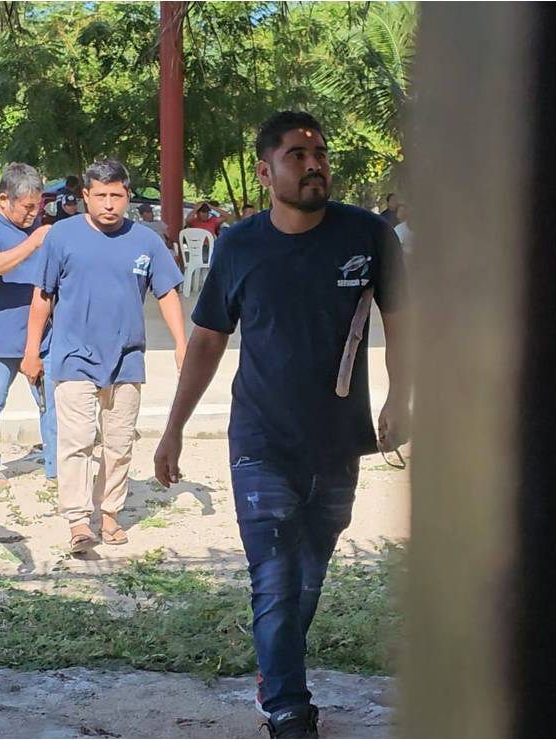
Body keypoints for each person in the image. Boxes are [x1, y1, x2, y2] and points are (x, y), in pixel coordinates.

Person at [153, 111, 409, 739]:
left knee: (308, 577)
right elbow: (208, 340)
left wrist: (400, 399)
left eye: (320, 153)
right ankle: (289, 707)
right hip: (260, 443)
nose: (314, 164)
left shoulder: (369, 236)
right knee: (273, 578)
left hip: (339, 442)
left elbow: (403, 324)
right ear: (266, 172)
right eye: (297, 155)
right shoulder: (240, 245)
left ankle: (274, 674)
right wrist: (174, 426)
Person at [22, 159, 187, 553]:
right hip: (73, 355)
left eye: (116, 195)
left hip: (127, 357)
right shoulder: (62, 236)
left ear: (128, 196)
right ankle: (78, 521)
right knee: (76, 441)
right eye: (100, 196)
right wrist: (31, 351)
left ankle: (110, 513)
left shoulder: (146, 241)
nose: (109, 204)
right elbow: (42, 296)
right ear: (85, 196)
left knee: (118, 442)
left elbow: (167, 292)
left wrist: (183, 344)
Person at [0, 162, 57, 490]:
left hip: (42, 335)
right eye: (27, 207)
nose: (34, 213)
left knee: (53, 404)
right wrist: (31, 244)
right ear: (4, 199)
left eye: (38, 207)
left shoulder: (39, 228)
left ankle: (57, 468)